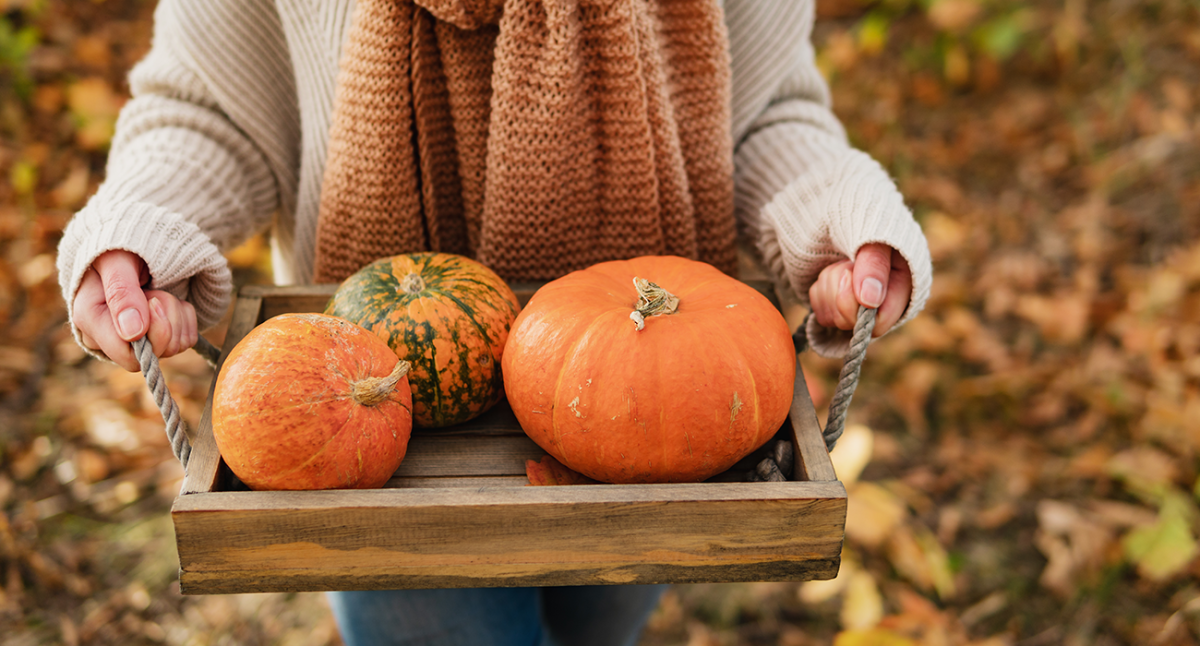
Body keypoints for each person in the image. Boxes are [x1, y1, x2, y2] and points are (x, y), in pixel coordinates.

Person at [57, 0, 932, 644]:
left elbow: (765, 109)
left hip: (661, 401)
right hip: (372, 410)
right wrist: (141, 227)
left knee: (601, 622)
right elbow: (209, 113)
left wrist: (835, 210)